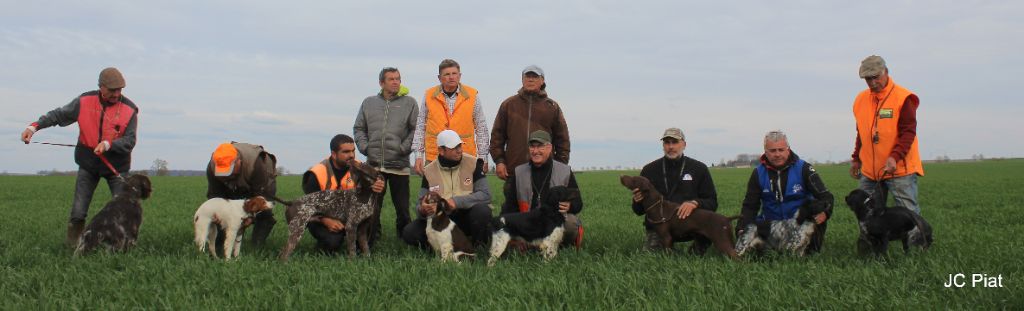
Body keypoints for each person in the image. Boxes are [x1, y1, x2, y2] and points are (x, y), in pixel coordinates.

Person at [20, 67, 139, 247]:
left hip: (117, 168)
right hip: (88, 165)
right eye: (112, 90)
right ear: (101, 87)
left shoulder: (130, 109)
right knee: (78, 212)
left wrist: (108, 144)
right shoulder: (84, 101)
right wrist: (33, 127)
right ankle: (74, 247)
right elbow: (58, 115)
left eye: (119, 90)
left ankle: (123, 247)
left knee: (123, 211)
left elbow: (130, 140)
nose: (116, 94)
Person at [850, 55, 924, 214]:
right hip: (870, 171)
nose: (872, 83)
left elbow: (908, 132)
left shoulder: (903, 98)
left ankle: (917, 239)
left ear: (886, 72)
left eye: (875, 77)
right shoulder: (860, 100)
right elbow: (861, 133)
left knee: (908, 215)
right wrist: (856, 158)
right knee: (867, 213)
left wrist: (894, 157)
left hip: (898, 169)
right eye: (867, 79)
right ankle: (869, 240)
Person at [739, 130, 834, 254]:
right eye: (772, 151)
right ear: (766, 152)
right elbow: (750, 206)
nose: (777, 154)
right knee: (760, 257)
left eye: (781, 150)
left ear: (788, 149)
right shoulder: (758, 173)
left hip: (801, 226)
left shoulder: (804, 168)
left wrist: (826, 213)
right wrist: (742, 228)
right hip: (772, 230)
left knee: (809, 256)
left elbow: (825, 196)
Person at [354, 67, 418, 239]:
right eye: (391, 79)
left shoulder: (410, 103)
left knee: (402, 208)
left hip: (399, 166)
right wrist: (365, 147)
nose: (396, 82)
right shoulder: (368, 103)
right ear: (382, 83)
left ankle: (405, 238)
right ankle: (372, 237)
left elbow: (416, 130)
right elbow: (359, 128)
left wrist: (403, 149)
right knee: (373, 206)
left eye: (398, 78)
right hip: (374, 166)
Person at [630, 128, 718, 251]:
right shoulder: (649, 170)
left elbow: (712, 202)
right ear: (663, 145)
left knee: (706, 234)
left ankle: (696, 251)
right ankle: (667, 249)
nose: (671, 146)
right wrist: (637, 201)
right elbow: (638, 211)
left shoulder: (699, 168)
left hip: (690, 226)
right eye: (667, 142)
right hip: (660, 227)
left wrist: (695, 203)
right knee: (652, 260)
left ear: (684, 144)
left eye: (675, 142)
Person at [401, 130, 492, 249]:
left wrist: (456, 201)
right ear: (441, 151)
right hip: (441, 220)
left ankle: (478, 246)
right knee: (410, 232)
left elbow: (486, 195)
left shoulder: (474, 163)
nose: (459, 150)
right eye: (454, 147)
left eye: (460, 145)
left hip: (467, 216)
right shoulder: (429, 171)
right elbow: (420, 204)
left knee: (482, 211)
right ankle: (440, 247)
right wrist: (423, 209)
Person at [301, 134, 385, 254]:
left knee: (366, 240)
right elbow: (308, 206)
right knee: (333, 242)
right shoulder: (317, 173)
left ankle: (364, 241)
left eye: (353, 151)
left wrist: (378, 185)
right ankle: (322, 247)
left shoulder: (360, 168)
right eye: (345, 152)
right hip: (322, 217)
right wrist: (325, 220)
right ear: (334, 154)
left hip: (350, 216)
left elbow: (377, 180)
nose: (351, 155)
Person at [501, 130, 583, 248]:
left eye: (540, 147)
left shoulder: (564, 171)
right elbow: (510, 205)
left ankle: (562, 245)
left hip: (553, 222)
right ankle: (531, 244)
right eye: (532, 147)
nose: (535, 151)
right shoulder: (519, 172)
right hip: (530, 222)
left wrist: (570, 206)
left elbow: (578, 202)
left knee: (571, 223)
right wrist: (504, 226)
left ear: (549, 148)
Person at [490, 65, 570, 180]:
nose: (530, 79)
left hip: (545, 171)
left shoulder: (552, 107)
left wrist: (560, 166)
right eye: (527, 76)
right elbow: (497, 137)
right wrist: (499, 161)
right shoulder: (508, 105)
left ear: (542, 81)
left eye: (535, 76)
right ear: (522, 80)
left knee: (544, 198)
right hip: (514, 170)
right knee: (515, 199)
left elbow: (563, 141)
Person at [412, 59, 490, 176]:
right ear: (439, 78)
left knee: (465, 193)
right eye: (447, 74)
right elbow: (420, 126)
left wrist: (483, 157)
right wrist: (418, 155)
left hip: (465, 156)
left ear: (460, 76)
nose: (451, 77)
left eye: (454, 74)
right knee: (435, 193)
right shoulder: (429, 95)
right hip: (435, 156)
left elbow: (481, 127)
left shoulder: (473, 95)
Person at [206, 142, 278, 247]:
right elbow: (215, 195)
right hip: (235, 184)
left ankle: (256, 247)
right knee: (224, 214)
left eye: (228, 171)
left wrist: (251, 217)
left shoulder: (256, 164)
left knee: (263, 212)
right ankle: (220, 246)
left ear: (238, 162)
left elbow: (259, 195)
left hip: (262, 182)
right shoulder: (212, 166)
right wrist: (216, 212)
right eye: (222, 173)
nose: (226, 176)